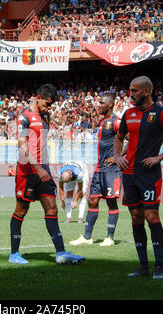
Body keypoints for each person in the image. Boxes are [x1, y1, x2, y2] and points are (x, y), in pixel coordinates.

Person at [114, 76, 163, 280]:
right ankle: (143, 266)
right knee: (136, 217)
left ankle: (159, 267)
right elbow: (119, 137)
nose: (131, 94)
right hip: (129, 174)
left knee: (151, 216)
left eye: (135, 91)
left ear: (146, 91)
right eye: (130, 90)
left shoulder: (161, 114)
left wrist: (159, 157)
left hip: (149, 175)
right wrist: (119, 156)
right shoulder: (128, 114)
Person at [9, 84, 85, 265]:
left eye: (51, 105)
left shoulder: (45, 116)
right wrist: (38, 168)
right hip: (28, 171)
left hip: (43, 168)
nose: (49, 108)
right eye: (47, 103)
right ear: (38, 98)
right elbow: (23, 146)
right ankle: (14, 253)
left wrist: (44, 167)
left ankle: (61, 253)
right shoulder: (24, 117)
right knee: (21, 210)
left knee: (52, 208)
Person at [70, 93, 123, 247]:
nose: (99, 105)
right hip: (100, 169)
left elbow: (132, 139)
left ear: (111, 104)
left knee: (111, 203)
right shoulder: (102, 121)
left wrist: (117, 157)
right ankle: (87, 237)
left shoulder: (116, 122)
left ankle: (109, 237)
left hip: (111, 169)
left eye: (102, 102)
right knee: (92, 200)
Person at [58, 159, 89, 224]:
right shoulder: (60, 174)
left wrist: (76, 200)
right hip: (69, 168)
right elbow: (61, 188)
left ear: (71, 176)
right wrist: (62, 200)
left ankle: (80, 218)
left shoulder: (79, 175)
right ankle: (68, 218)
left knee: (82, 194)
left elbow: (80, 189)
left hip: (83, 170)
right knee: (69, 193)